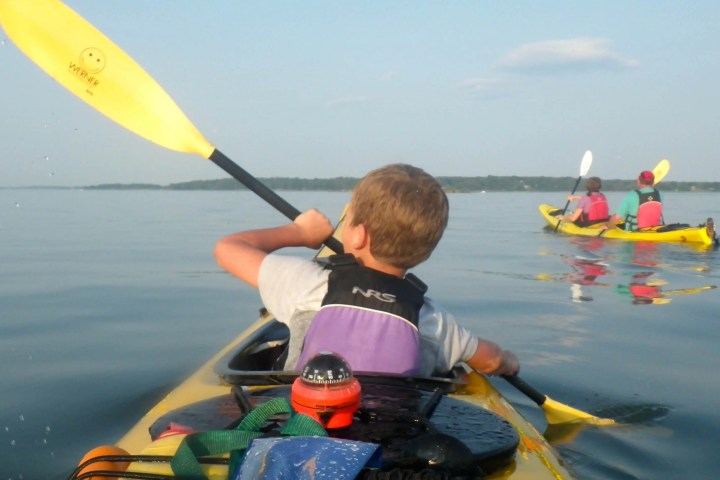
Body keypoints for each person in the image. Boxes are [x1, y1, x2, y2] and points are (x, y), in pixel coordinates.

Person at [214, 163, 519, 378]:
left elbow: (228, 248)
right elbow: (490, 360)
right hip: (388, 441)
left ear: (357, 235)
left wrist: (299, 233)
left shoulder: (308, 285)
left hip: (305, 429)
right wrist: (509, 361)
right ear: (425, 251)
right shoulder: (433, 321)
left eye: (346, 218)